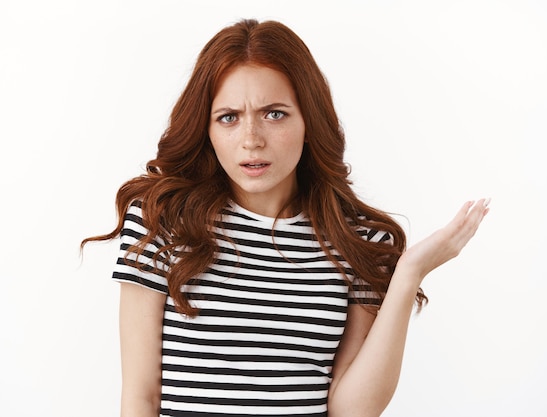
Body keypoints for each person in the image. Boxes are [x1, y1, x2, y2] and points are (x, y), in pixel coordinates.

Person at [82, 18, 489, 417]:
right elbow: (140, 398)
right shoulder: (161, 221)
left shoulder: (358, 244)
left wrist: (408, 275)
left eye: (274, 113)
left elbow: (351, 411)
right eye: (228, 117)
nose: (251, 139)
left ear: (309, 121)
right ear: (206, 129)